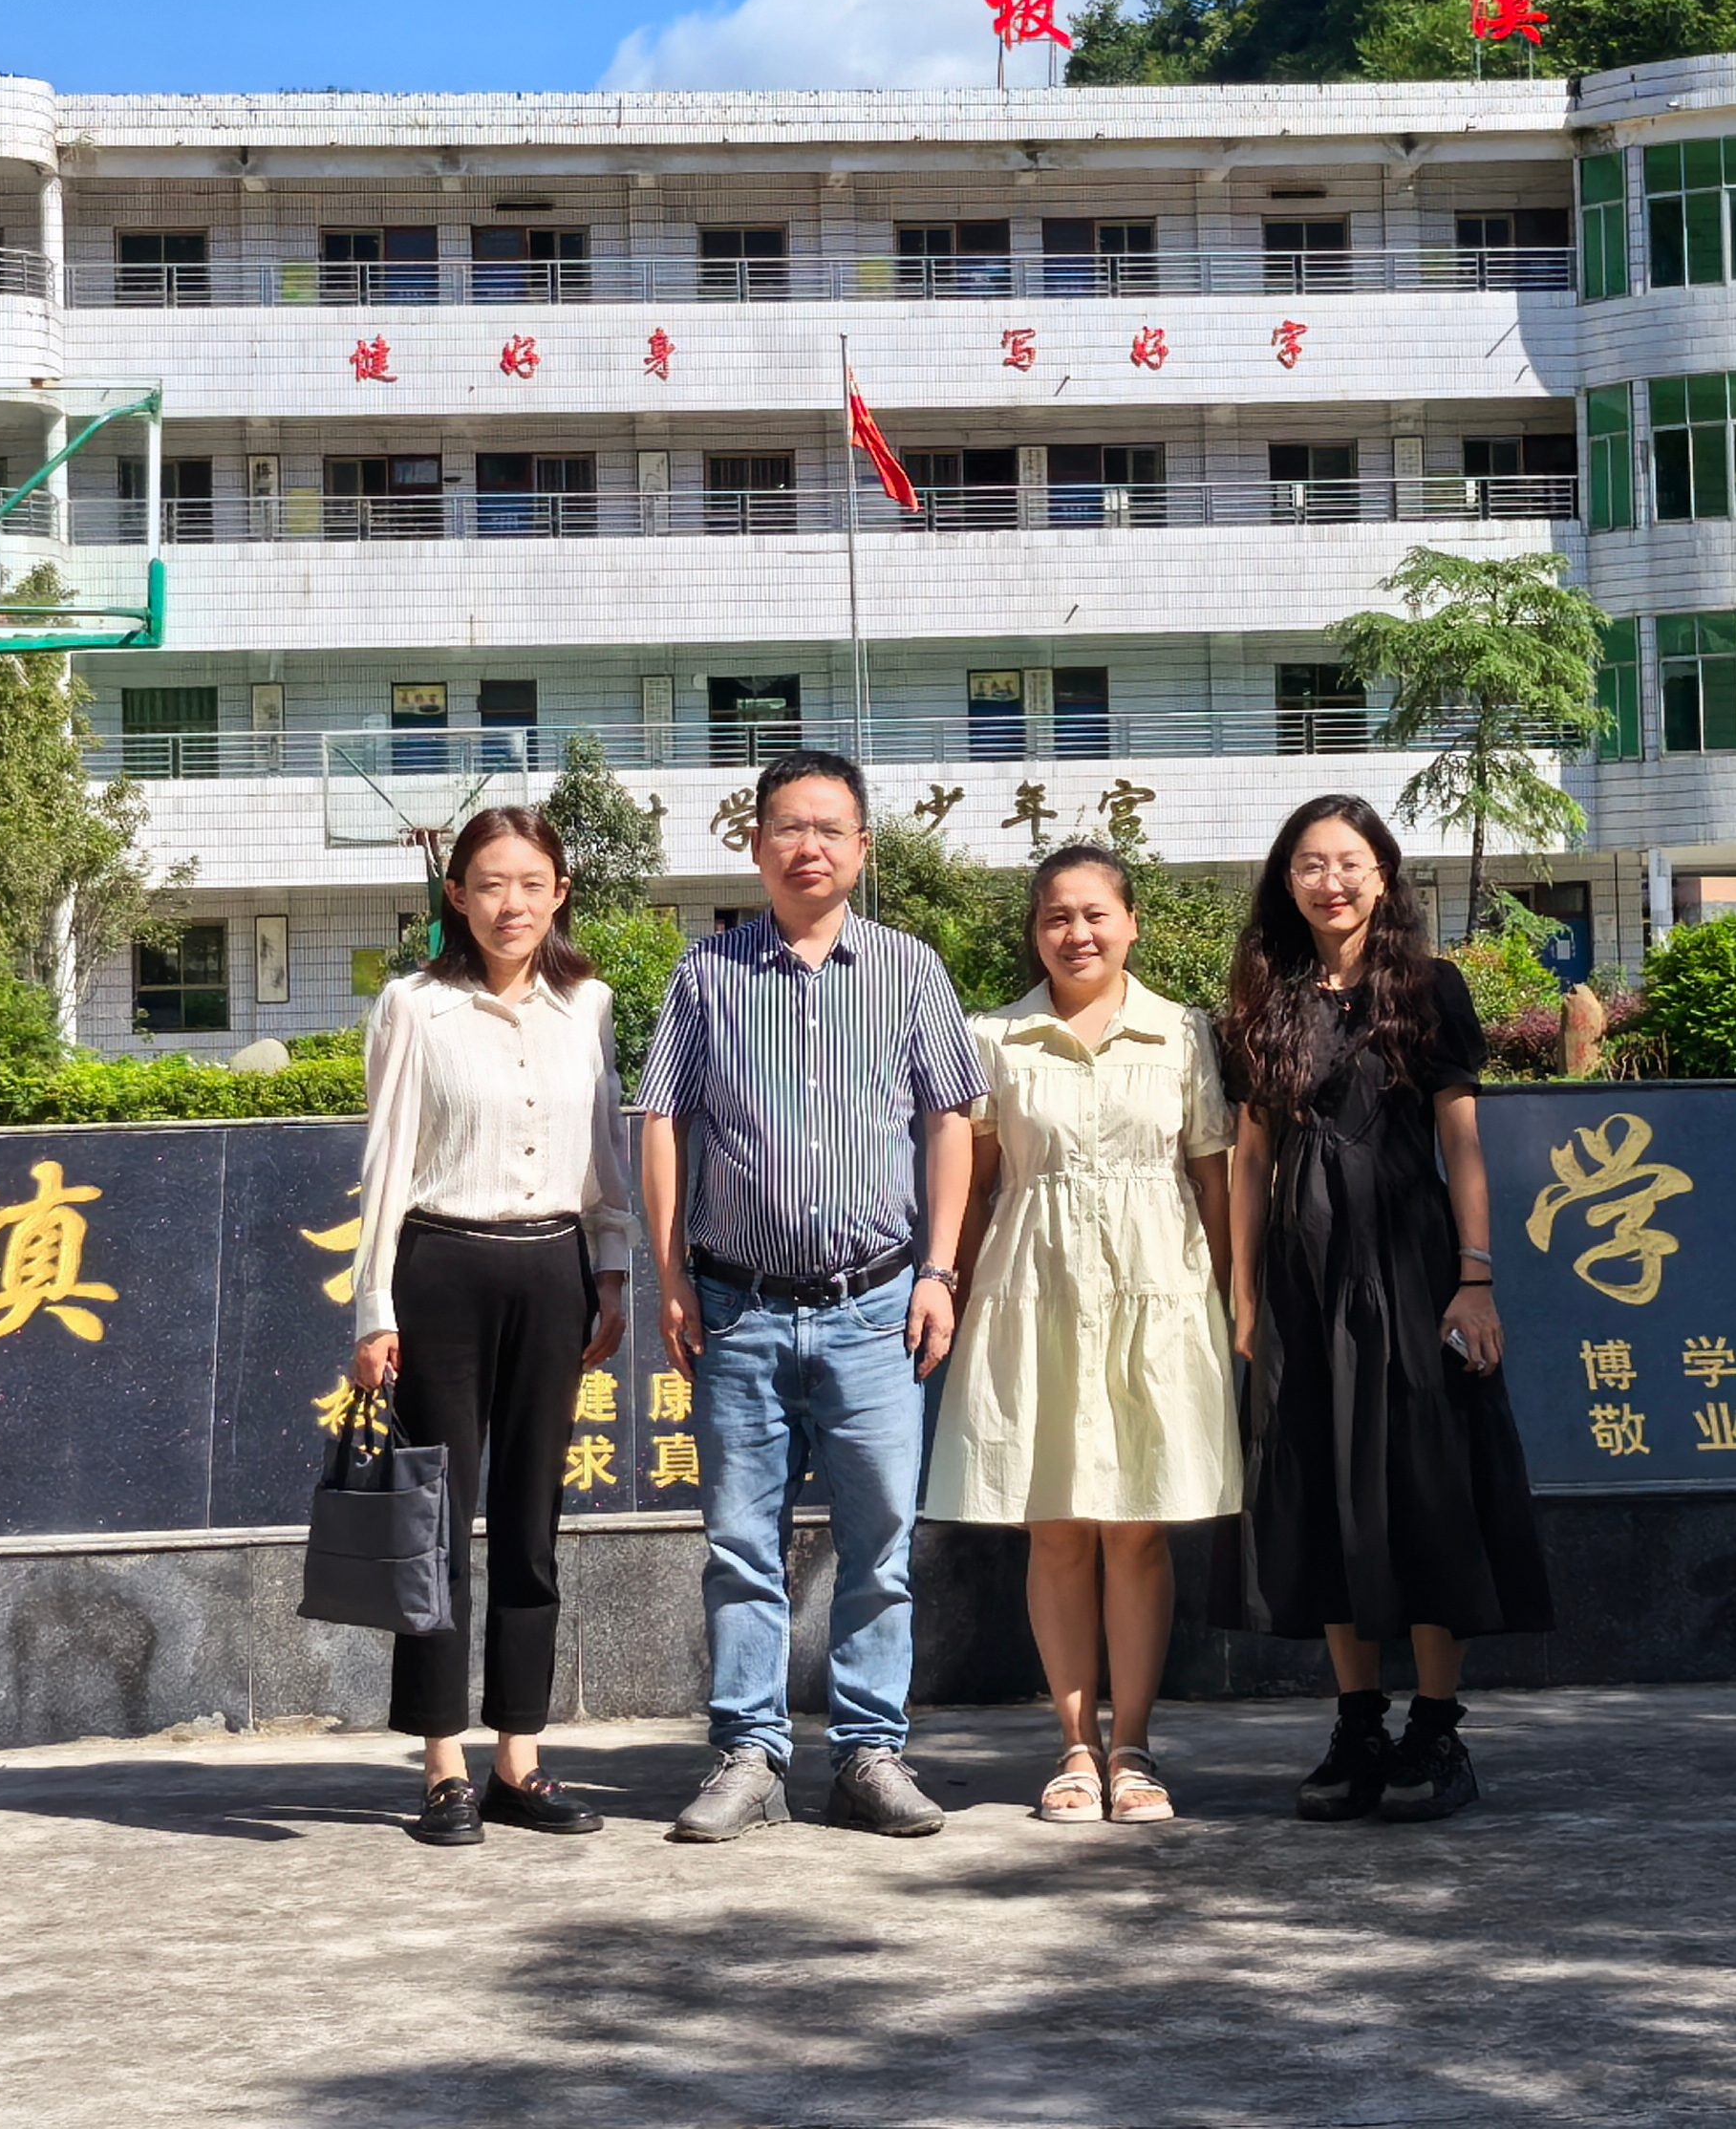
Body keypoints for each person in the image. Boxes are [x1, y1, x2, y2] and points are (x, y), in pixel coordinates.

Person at [638, 747, 979, 1843]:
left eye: (830, 828)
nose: (809, 847)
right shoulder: (707, 974)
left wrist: (939, 1271)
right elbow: (661, 1121)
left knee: (879, 1545)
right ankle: (749, 1755)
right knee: (743, 1546)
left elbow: (950, 1119)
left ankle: (870, 1754)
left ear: (862, 848)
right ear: (756, 845)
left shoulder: (910, 970)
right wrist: (670, 1275)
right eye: (788, 826)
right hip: (737, 1308)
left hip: (877, 1308)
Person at [1220, 791, 1553, 1825]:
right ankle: (1357, 1722)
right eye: (1310, 864)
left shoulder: (1430, 987)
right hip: (1304, 1276)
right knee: (1324, 1487)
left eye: (1349, 862)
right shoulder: (1265, 998)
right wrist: (1242, 1293)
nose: (1330, 881)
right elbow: (1250, 1158)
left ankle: (1436, 1730)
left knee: (1427, 1488)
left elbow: (1461, 1140)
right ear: (1287, 881)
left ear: (1383, 875)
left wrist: (1475, 1277)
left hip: (1411, 1268)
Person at [924, 843, 1239, 1824]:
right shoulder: (994, 1038)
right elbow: (975, 1185)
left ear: (1131, 923)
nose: (1077, 933)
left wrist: (1234, 1295)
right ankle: (1072, 1748)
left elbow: (1212, 1178)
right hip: (1036, 1294)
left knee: (1138, 1529)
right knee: (1056, 1528)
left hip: (1157, 1296)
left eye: (1096, 913)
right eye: (1056, 916)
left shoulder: (1181, 1034)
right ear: (1035, 931)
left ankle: (1133, 1747)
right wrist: (954, 1285)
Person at [344, 804, 633, 1849]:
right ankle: (442, 1767)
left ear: (560, 893)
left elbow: (605, 1145)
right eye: (490, 884)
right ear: (457, 896)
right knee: (436, 1525)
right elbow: (386, 1160)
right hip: (442, 1271)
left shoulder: (588, 1003)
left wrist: (611, 1271)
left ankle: (519, 1758)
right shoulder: (415, 1006)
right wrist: (373, 1307)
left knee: (530, 1524)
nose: (511, 904)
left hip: (553, 1271)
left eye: (531, 883)